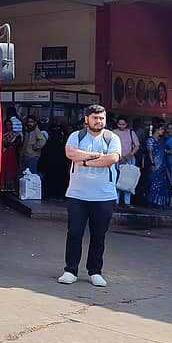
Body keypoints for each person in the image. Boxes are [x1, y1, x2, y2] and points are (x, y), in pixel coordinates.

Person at [58, 104, 121, 288]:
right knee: (75, 233)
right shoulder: (76, 136)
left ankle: (95, 271)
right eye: (95, 118)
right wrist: (95, 156)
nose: (98, 121)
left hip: (104, 195)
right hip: (78, 194)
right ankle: (70, 270)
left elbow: (112, 159)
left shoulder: (112, 137)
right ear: (86, 119)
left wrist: (83, 160)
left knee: (98, 235)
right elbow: (70, 153)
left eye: (101, 118)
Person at [112, 116, 140, 208]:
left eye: (123, 124)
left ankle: (127, 202)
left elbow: (137, 146)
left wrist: (129, 155)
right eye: (119, 124)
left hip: (129, 160)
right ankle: (116, 201)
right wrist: (119, 156)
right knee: (117, 180)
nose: (121, 126)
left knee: (128, 180)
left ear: (126, 124)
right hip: (117, 159)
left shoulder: (131, 132)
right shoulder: (114, 133)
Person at [145, 119, 172, 209]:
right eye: (162, 129)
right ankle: (150, 201)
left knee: (161, 183)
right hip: (155, 164)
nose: (163, 131)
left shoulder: (162, 140)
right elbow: (150, 152)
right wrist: (153, 163)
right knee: (153, 183)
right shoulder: (150, 140)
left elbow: (164, 150)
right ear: (157, 130)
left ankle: (159, 202)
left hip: (162, 165)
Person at [0, 119, 22, 192]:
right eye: (7, 125)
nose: (9, 126)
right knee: (3, 170)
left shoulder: (16, 135)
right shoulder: (1, 135)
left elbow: (18, 144)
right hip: (4, 154)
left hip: (12, 155)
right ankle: (2, 187)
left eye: (10, 125)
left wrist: (9, 144)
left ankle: (11, 188)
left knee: (11, 170)